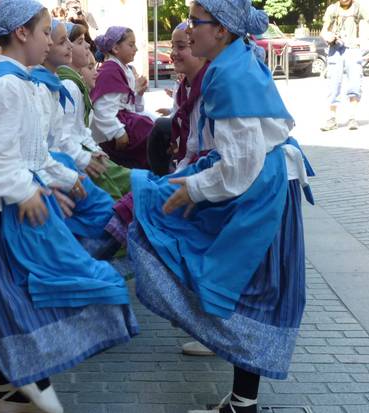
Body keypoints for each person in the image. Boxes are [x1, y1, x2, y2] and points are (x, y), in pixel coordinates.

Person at [0, 1, 138, 412]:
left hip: (1, 210)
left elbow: (36, 153)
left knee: (8, 301)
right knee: (8, 303)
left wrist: (61, 179)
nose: (50, 39)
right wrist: (25, 191)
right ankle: (33, 393)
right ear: (22, 34)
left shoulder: (21, 82)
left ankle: (14, 394)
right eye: (46, 31)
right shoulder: (6, 84)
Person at [128, 1, 315, 412]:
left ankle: (242, 404)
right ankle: (241, 401)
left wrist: (192, 189)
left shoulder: (229, 73)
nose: (190, 30)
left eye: (196, 22)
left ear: (223, 30)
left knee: (244, 292)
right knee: (246, 292)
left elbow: (239, 167)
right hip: (263, 189)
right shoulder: (236, 60)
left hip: (260, 196)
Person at [57, 22, 131, 200]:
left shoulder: (74, 84)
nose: (88, 45)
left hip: (83, 153)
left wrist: (93, 150)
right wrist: (85, 156)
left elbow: (79, 131)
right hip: (76, 160)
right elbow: (63, 137)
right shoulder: (69, 85)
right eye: (81, 41)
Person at [147, 22, 212, 177]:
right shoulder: (184, 88)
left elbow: (206, 151)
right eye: (172, 47)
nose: (173, 53)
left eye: (181, 47)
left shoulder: (210, 88)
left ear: (200, 49)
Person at [90, 26, 154, 169]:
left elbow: (132, 107)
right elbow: (102, 108)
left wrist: (138, 93)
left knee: (152, 125)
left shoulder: (125, 70)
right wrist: (118, 132)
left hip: (124, 121)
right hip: (111, 132)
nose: (136, 49)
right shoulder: (109, 71)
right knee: (149, 130)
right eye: (131, 45)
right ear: (116, 49)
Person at [320, 0, 369, 131]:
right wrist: (328, 37)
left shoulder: (358, 8)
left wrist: (363, 41)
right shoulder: (332, 9)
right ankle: (331, 119)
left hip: (353, 50)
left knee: (355, 83)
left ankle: (352, 118)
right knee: (334, 84)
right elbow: (323, 31)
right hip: (335, 50)